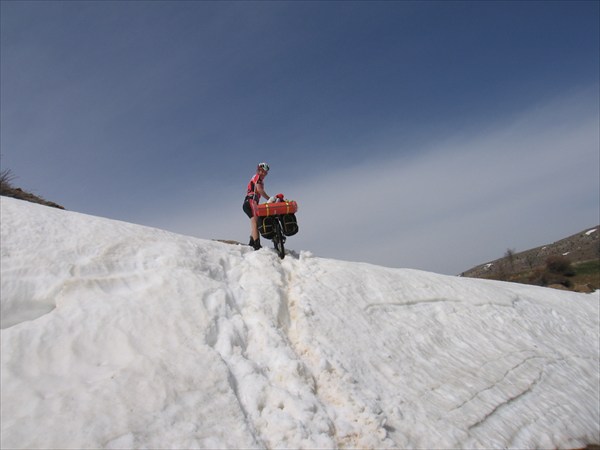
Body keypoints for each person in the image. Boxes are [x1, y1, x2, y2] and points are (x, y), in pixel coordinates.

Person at [243, 162, 273, 250]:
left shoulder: (255, 177)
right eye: (262, 171)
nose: (264, 174)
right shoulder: (258, 178)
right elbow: (259, 190)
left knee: (254, 221)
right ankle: (256, 245)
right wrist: (269, 198)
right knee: (255, 222)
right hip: (252, 200)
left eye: (265, 172)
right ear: (259, 170)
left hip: (248, 201)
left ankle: (251, 242)